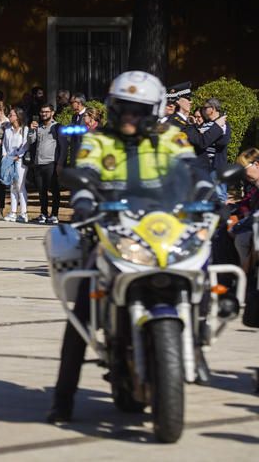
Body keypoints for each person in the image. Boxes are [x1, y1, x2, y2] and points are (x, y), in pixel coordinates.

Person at [47, 70, 206, 424]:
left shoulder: (170, 138)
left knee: (199, 262)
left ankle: (199, 334)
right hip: (111, 229)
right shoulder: (98, 141)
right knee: (82, 309)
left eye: (139, 110)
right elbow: (84, 174)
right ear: (113, 108)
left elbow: (193, 168)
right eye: (124, 108)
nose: (130, 117)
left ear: (154, 111)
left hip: (161, 226)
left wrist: (207, 191)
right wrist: (85, 200)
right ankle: (63, 398)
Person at [27, 104, 66, 224]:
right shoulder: (38, 127)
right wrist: (31, 130)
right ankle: (43, 213)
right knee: (41, 190)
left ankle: (54, 214)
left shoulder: (58, 127)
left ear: (52, 112)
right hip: (38, 163)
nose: (44, 114)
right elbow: (31, 141)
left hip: (51, 163)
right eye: (42, 112)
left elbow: (63, 146)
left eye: (46, 112)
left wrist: (60, 163)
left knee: (54, 190)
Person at [2, 107, 30, 223]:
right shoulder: (8, 130)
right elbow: (4, 144)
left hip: (20, 160)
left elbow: (26, 144)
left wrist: (18, 155)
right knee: (12, 186)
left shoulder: (25, 129)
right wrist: (5, 156)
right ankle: (13, 212)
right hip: (9, 159)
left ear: (18, 116)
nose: (9, 116)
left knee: (20, 185)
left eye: (11, 115)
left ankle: (23, 213)